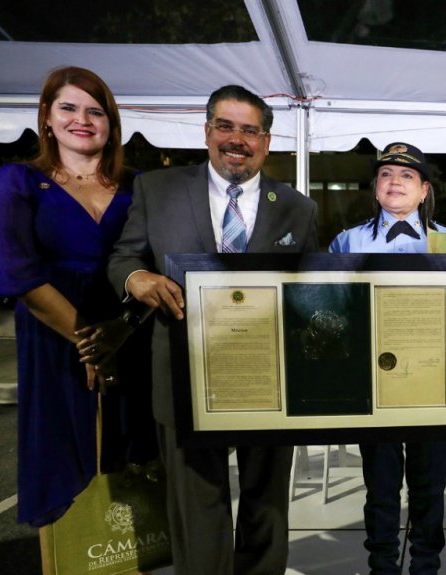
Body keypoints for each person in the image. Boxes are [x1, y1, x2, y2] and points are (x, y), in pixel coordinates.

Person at [108, 84, 319, 575]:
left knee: (267, 502)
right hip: (184, 376)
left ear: (267, 141)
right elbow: (124, 257)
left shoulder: (297, 208)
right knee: (196, 504)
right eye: (226, 126)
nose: (237, 139)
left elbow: (312, 287)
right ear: (207, 132)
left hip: (271, 382)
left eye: (250, 130)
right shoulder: (156, 190)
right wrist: (135, 278)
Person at [0, 66, 157, 532]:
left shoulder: (141, 187)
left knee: (137, 468)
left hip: (133, 336)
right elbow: (17, 272)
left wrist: (121, 333)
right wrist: (93, 345)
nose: (83, 119)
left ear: (111, 123)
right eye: (69, 107)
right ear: (46, 117)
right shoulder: (17, 181)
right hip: (57, 341)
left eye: (96, 111)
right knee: (65, 461)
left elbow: (158, 264)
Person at [329, 142, 446, 575]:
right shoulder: (346, 240)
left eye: (406, 175)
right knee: (379, 484)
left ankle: (426, 565)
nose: (394, 181)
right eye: (385, 174)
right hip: (374, 384)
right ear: (375, 188)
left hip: (432, 386)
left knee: (429, 485)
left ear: (423, 190)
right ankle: (381, 565)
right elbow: (330, 308)